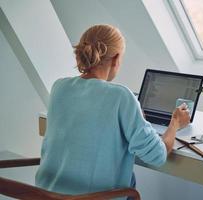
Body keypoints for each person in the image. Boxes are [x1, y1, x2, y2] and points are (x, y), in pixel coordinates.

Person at [35, 24, 190, 196]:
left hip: (46, 195)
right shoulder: (121, 96)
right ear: (116, 59)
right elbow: (157, 155)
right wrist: (175, 122)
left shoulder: (60, 87)